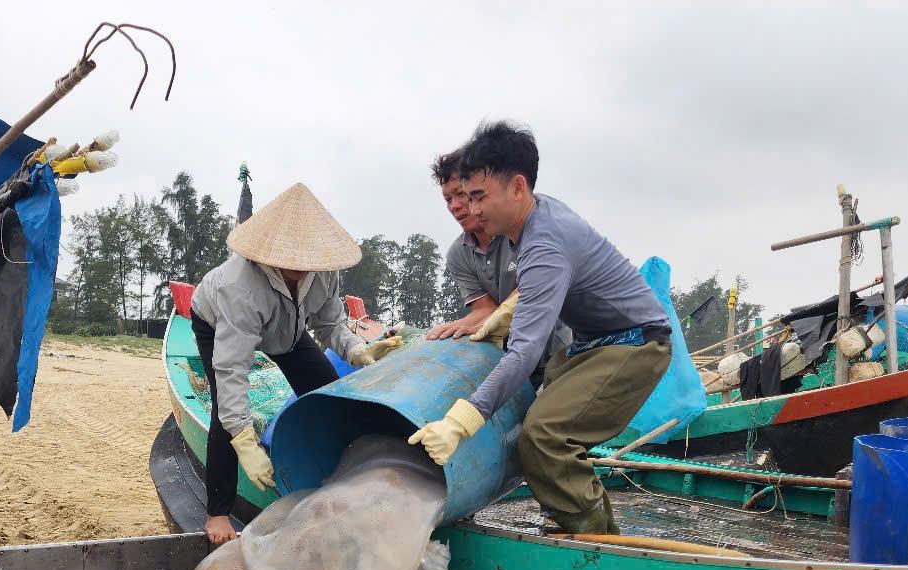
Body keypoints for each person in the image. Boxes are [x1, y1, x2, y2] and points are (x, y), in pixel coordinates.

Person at [409, 121, 671, 535]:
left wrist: (459, 423)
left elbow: (525, 351)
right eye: (465, 197)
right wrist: (500, 316)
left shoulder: (544, 242)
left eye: (479, 197)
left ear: (517, 187)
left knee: (545, 435)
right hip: (591, 343)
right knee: (541, 415)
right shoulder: (530, 219)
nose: (471, 210)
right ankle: (580, 514)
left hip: (635, 342)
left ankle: (595, 542)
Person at [192, 182, 402, 545]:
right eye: (291, 259)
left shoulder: (324, 271)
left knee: (329, 393)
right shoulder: (237, 287)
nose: (301, 268)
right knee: (226, 413)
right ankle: (218, 511)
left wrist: (357, 351)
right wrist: (245, 442)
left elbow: (330, 324)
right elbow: (232, 371)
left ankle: (338, 478)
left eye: (308, 260)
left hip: (287, 329)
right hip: (217, 323)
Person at [425, 148, 516, 341]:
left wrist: (480, 324)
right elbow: (484, 309)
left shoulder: (519, 231)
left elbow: (531, 291)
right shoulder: (458, 254)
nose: (454, 206)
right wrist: (452, 328)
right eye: (448, 199)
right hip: (505, 348)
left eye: (460, 193)